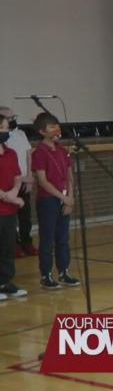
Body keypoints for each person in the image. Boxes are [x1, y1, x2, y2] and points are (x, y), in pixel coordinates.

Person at [31, 112, 80, 290]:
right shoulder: (39, 153)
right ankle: (46, 275)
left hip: (64, 198)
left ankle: (64, 272)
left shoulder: (62, 151)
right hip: (48, 200)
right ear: (42, 131)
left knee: (63, 238)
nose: (56, 129)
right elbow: (43, 181)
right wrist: (62, 197)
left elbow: (69, 176)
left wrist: (70, 199)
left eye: (57, 126)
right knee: (48, 239)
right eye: (51, 127)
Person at [0, 107, 35, 256]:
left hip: (21, 181)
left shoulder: (20, 134)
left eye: (13, 117)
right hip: (5, 186)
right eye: (9, 118)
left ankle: (26, 242)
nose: (12, 120)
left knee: (25, 216)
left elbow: (28, 156)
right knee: (8, 218)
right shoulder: (4, 142)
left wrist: (29, 177)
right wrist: (8, 195)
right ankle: (14, 244)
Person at [0, 114, 27, 299]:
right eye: (3, 128)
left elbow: (17, 177)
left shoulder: (11, 153)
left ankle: (5, 282)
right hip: (4, 204)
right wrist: (8, 198)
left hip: (9, 211)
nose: (7, 132)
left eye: (7, 128)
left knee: (7, 247)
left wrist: (15, 192)